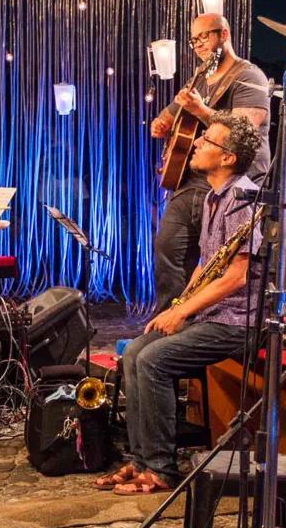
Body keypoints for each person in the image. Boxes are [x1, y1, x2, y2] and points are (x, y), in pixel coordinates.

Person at [99, 112, 264, 495]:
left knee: (154, 360)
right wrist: (177, 305)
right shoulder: (210, 197)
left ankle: (160, 469)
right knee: (135, 352)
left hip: (237, 320)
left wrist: (183, 312)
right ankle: (142, 460)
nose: (198, 144)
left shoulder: (244, 201)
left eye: (208, 141)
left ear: (228, 158)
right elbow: (207, 265)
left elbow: (236, 276)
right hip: (212, 313)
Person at [148, 13, 271, 313]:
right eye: (194, 40)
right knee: (168, 248)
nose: (199, 44)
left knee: (215, 261)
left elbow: (244, 132)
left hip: (233, 181)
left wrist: (203, 111)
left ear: (224, 35)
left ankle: (198, 324)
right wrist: (162, 123)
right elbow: (171, 112)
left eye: (205, 36)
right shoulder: (201, 77)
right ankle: (167, 325)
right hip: (195, 179)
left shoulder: (248, 75)